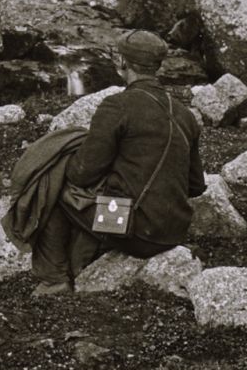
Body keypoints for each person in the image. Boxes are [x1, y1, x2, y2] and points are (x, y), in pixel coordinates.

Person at [30, 29, 207, 296]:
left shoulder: (117, 106)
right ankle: (81, 264)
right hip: (172, 232)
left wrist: (61, 156)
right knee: (101, 196)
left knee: (49, 186)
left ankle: (54, 279)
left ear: (123, 63)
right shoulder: (184, 114)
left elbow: (82, 174)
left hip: (134, 231)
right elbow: (195, 185)